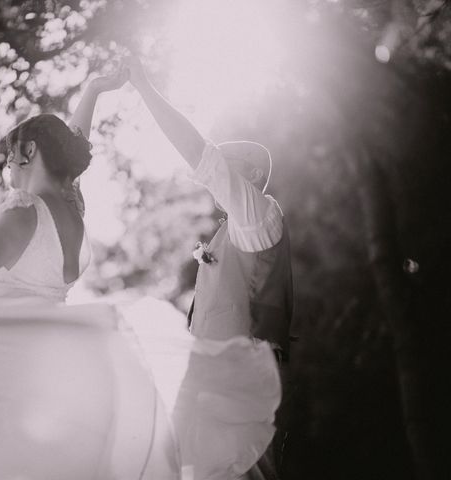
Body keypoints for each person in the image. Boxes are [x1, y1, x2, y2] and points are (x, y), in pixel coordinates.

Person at [0, 67, 281, 480]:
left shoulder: (24, 209)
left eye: (13, 152)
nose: (8, 163)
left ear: (31, 151)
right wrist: (91, 92)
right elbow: (67, 160)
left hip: (11, 356)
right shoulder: (70, 212)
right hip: (60, 361)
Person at [126, 56, 295, 479]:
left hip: (241, 384)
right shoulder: (230, 230)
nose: (216, 180)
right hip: (206, 383)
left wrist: (146, 88)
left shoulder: (259, 214)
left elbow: (203, 159)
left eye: (229, 167)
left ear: (252, 174)